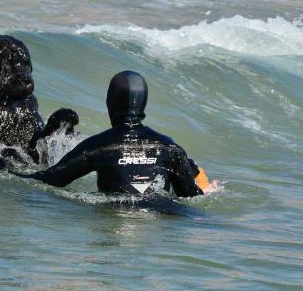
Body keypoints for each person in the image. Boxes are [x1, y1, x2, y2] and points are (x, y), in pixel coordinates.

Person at [13, 71, 208, 197]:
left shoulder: (99, 146)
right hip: (159, 227)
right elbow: (190, 196)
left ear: (110, 102)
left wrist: (5, 169)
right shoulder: (170, 148)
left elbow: (51, 180)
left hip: (115, 219)